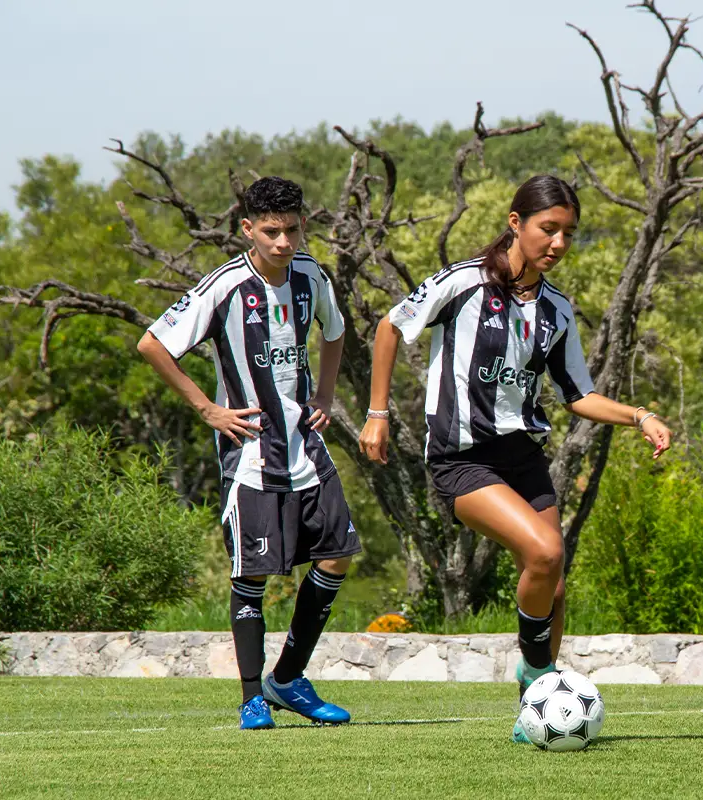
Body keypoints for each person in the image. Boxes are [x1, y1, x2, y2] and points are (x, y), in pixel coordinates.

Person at [357, 174, 671, 742]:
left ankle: (532, 721)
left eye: (569, 234)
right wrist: (377, 414)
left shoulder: (556, 309)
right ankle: (538, 676)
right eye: (548, 229)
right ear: (515, 223)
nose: (558, 244)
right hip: (462, 458)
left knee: (553, 583)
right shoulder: (463, 284)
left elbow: (579, 396)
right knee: (544, 549)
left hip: (523, 458)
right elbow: (389, 326)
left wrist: (639, 415)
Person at [138, 176, 360, 730]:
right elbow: (152, 343)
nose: (283, 242)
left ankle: (287, 679)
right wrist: (207, 410)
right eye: (271, 232)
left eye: (291, 230)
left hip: (307, 443)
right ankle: (250, 697)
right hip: (253, 451)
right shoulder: (225, 287)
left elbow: (335, 331)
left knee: (336, 553)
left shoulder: (312, 276)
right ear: (247, 229)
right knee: (252, 576)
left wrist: (326, 393)